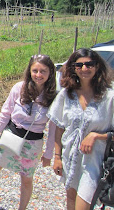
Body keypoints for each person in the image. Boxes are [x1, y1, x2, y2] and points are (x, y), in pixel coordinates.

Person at [0, 54, 57, 210]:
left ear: (50, 72)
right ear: (29, 71)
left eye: (43, 71)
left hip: (33, 143)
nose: (38, 75)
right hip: (12, 135)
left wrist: (49, 153)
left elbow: (53, 127)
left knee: (27, 179)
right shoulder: (19, 88)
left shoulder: (53, 96)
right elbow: (5, 113)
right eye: (35, 70)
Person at [47, 48, 114, 210]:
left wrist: (96, 136)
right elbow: (59, 128)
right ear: (73, 68)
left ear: (97, 67)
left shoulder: (109, 97)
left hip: (95, 163)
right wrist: (57, 157)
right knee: (70, 200)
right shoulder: (66, 95)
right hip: (70, 160)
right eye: (79, 65)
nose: (84, 69)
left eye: (89, 64)